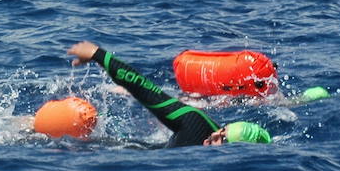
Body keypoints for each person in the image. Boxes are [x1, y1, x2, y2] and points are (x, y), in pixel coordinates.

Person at [66, 40, 271, 146]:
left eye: (223, 140)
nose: (215, 135)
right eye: (223, 130)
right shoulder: (196, 125)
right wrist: (98, 54)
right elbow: (146, 89)